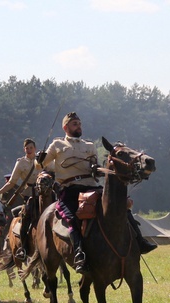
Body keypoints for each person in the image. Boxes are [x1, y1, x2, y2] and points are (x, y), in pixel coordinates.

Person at [37, 111, 156, 273]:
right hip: (70, 189)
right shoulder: (57, 145)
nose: (78, 126)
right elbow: (42, 166)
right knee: (71, 218)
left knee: (121, 206)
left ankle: (140, 241)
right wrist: (40, 160)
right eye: (74, 124)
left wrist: (96, 169)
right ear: (65, 127)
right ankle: (79, 253)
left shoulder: (89, 145)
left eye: (79, 124)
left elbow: (95, 167)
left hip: (92, 186)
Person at [0, 138, 42, 261]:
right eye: (27, 148)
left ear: (35, 148)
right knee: (26, 217)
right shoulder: (21, 163)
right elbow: (11, 182)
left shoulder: (42, 158)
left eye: (31, 148)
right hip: (30, 194)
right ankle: (24, 248)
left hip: (44, 191)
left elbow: (53, 170)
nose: (29, 150)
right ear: (24, 149)